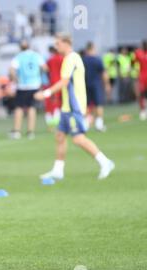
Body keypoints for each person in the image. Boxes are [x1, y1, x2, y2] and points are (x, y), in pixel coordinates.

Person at [34, 34, 115, 180]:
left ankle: (105, 162)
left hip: (74, 106)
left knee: (78, 138)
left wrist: (45, 93)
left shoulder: (70, 59)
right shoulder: (73, 57)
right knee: (60, 136)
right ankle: (58, 170)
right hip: (67, 106)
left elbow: (64, 82)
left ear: (66, 43)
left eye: (58, 43)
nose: (56, 47)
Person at [9, 40, 47, 139]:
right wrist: (39, 76)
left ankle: (17, 131)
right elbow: (45, 68)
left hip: (22, 85)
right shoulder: (36, 55)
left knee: (19, 108)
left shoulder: (18, 57)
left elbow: (12, 70)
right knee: (32, 108)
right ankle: (31, 132)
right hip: (34, 85)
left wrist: (15, 79)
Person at [82, 42, 111, 132]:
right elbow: (104, 73)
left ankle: (86, 124)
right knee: (98, 104)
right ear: (92, 48)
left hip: (85, 85)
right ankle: (99, 124)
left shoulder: (83, 60)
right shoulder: (97, 60)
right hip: (96, 85)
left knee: (86, 105)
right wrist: (107, 84)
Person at [45, 45, 63, 128]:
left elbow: (46, 69)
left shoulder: (50, 59)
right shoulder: (62, 58)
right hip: (62, 81)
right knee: (61, 101)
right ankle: (58, 119)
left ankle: (54, 119)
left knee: (54, 101)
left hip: (52, 81)